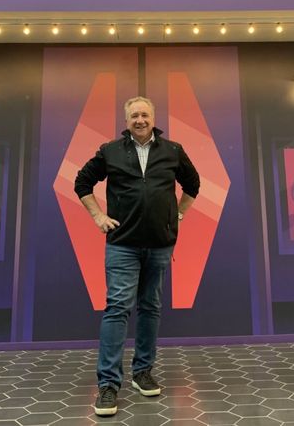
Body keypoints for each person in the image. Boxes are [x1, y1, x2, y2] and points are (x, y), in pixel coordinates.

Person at [74, 96, 200, 416]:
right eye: (134, 115)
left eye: (144, 114)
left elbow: (194, 185)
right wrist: (98, 217)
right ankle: (108, 385)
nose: (140, 119)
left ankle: (142, 371)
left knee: (150, 307)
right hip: (122, 244)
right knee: (117, 308)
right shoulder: (110, 151)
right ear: (126, 120)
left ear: (153, 117)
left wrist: (178, 214)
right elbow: (82, 183)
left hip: (160, 245)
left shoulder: (172, 150)